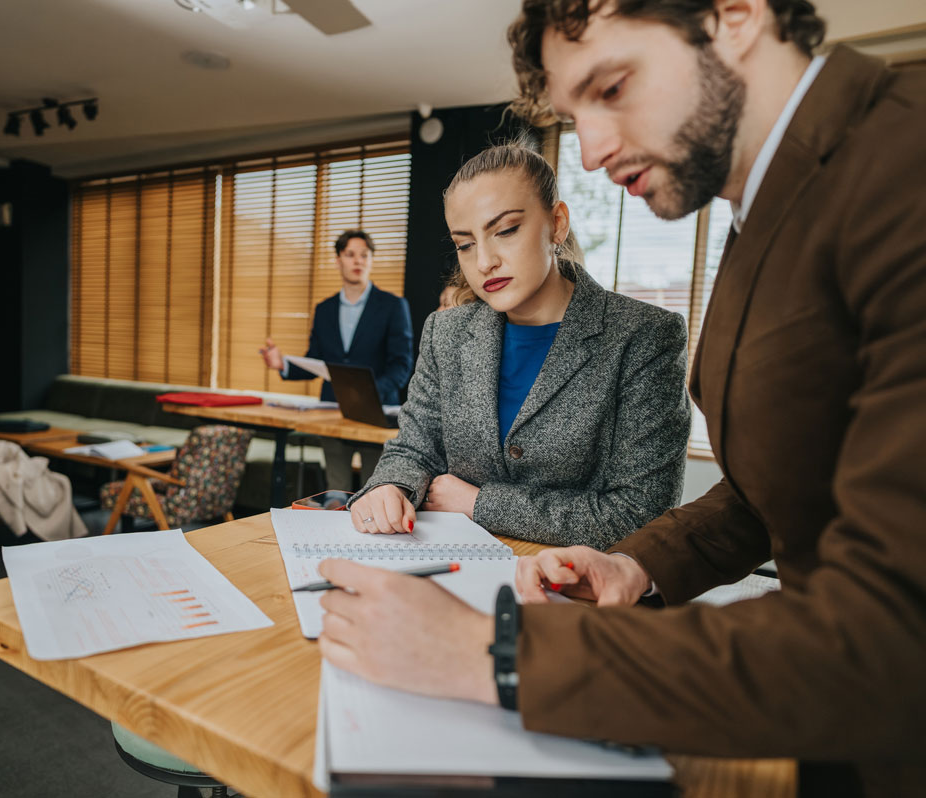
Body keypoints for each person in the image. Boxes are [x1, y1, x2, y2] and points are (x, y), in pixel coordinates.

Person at [317, 1, 926, 796]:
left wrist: (494, 656)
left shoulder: (902, 165)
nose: (595, 150)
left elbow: (895, 629)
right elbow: (768, 497)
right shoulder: (763, 213)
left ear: (735, 15)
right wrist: (636, 567)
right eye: (576, 114)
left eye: (612, 87)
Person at [347, 142, 691, 545]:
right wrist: (390, 486)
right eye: (465, 244)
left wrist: (480, 504)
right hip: (447, 573)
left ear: (557, 223)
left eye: (506, 230)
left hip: (576, 591)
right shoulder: (446, 333)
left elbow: (641, 514)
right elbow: (414, 449)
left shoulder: (644, 335)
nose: (484, 262)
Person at [260, 229, 413, 490]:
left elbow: (402, 365)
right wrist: (283, 364)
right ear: (338, 260)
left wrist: (368, 393)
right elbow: (316, 362)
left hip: (376, 416)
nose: (358, 261)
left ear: (371, 260)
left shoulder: (393, 306)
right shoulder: (324, 309)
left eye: (364, 255)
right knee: (335, 494)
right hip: (331, 413)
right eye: (350, 254)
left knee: (373, 493)